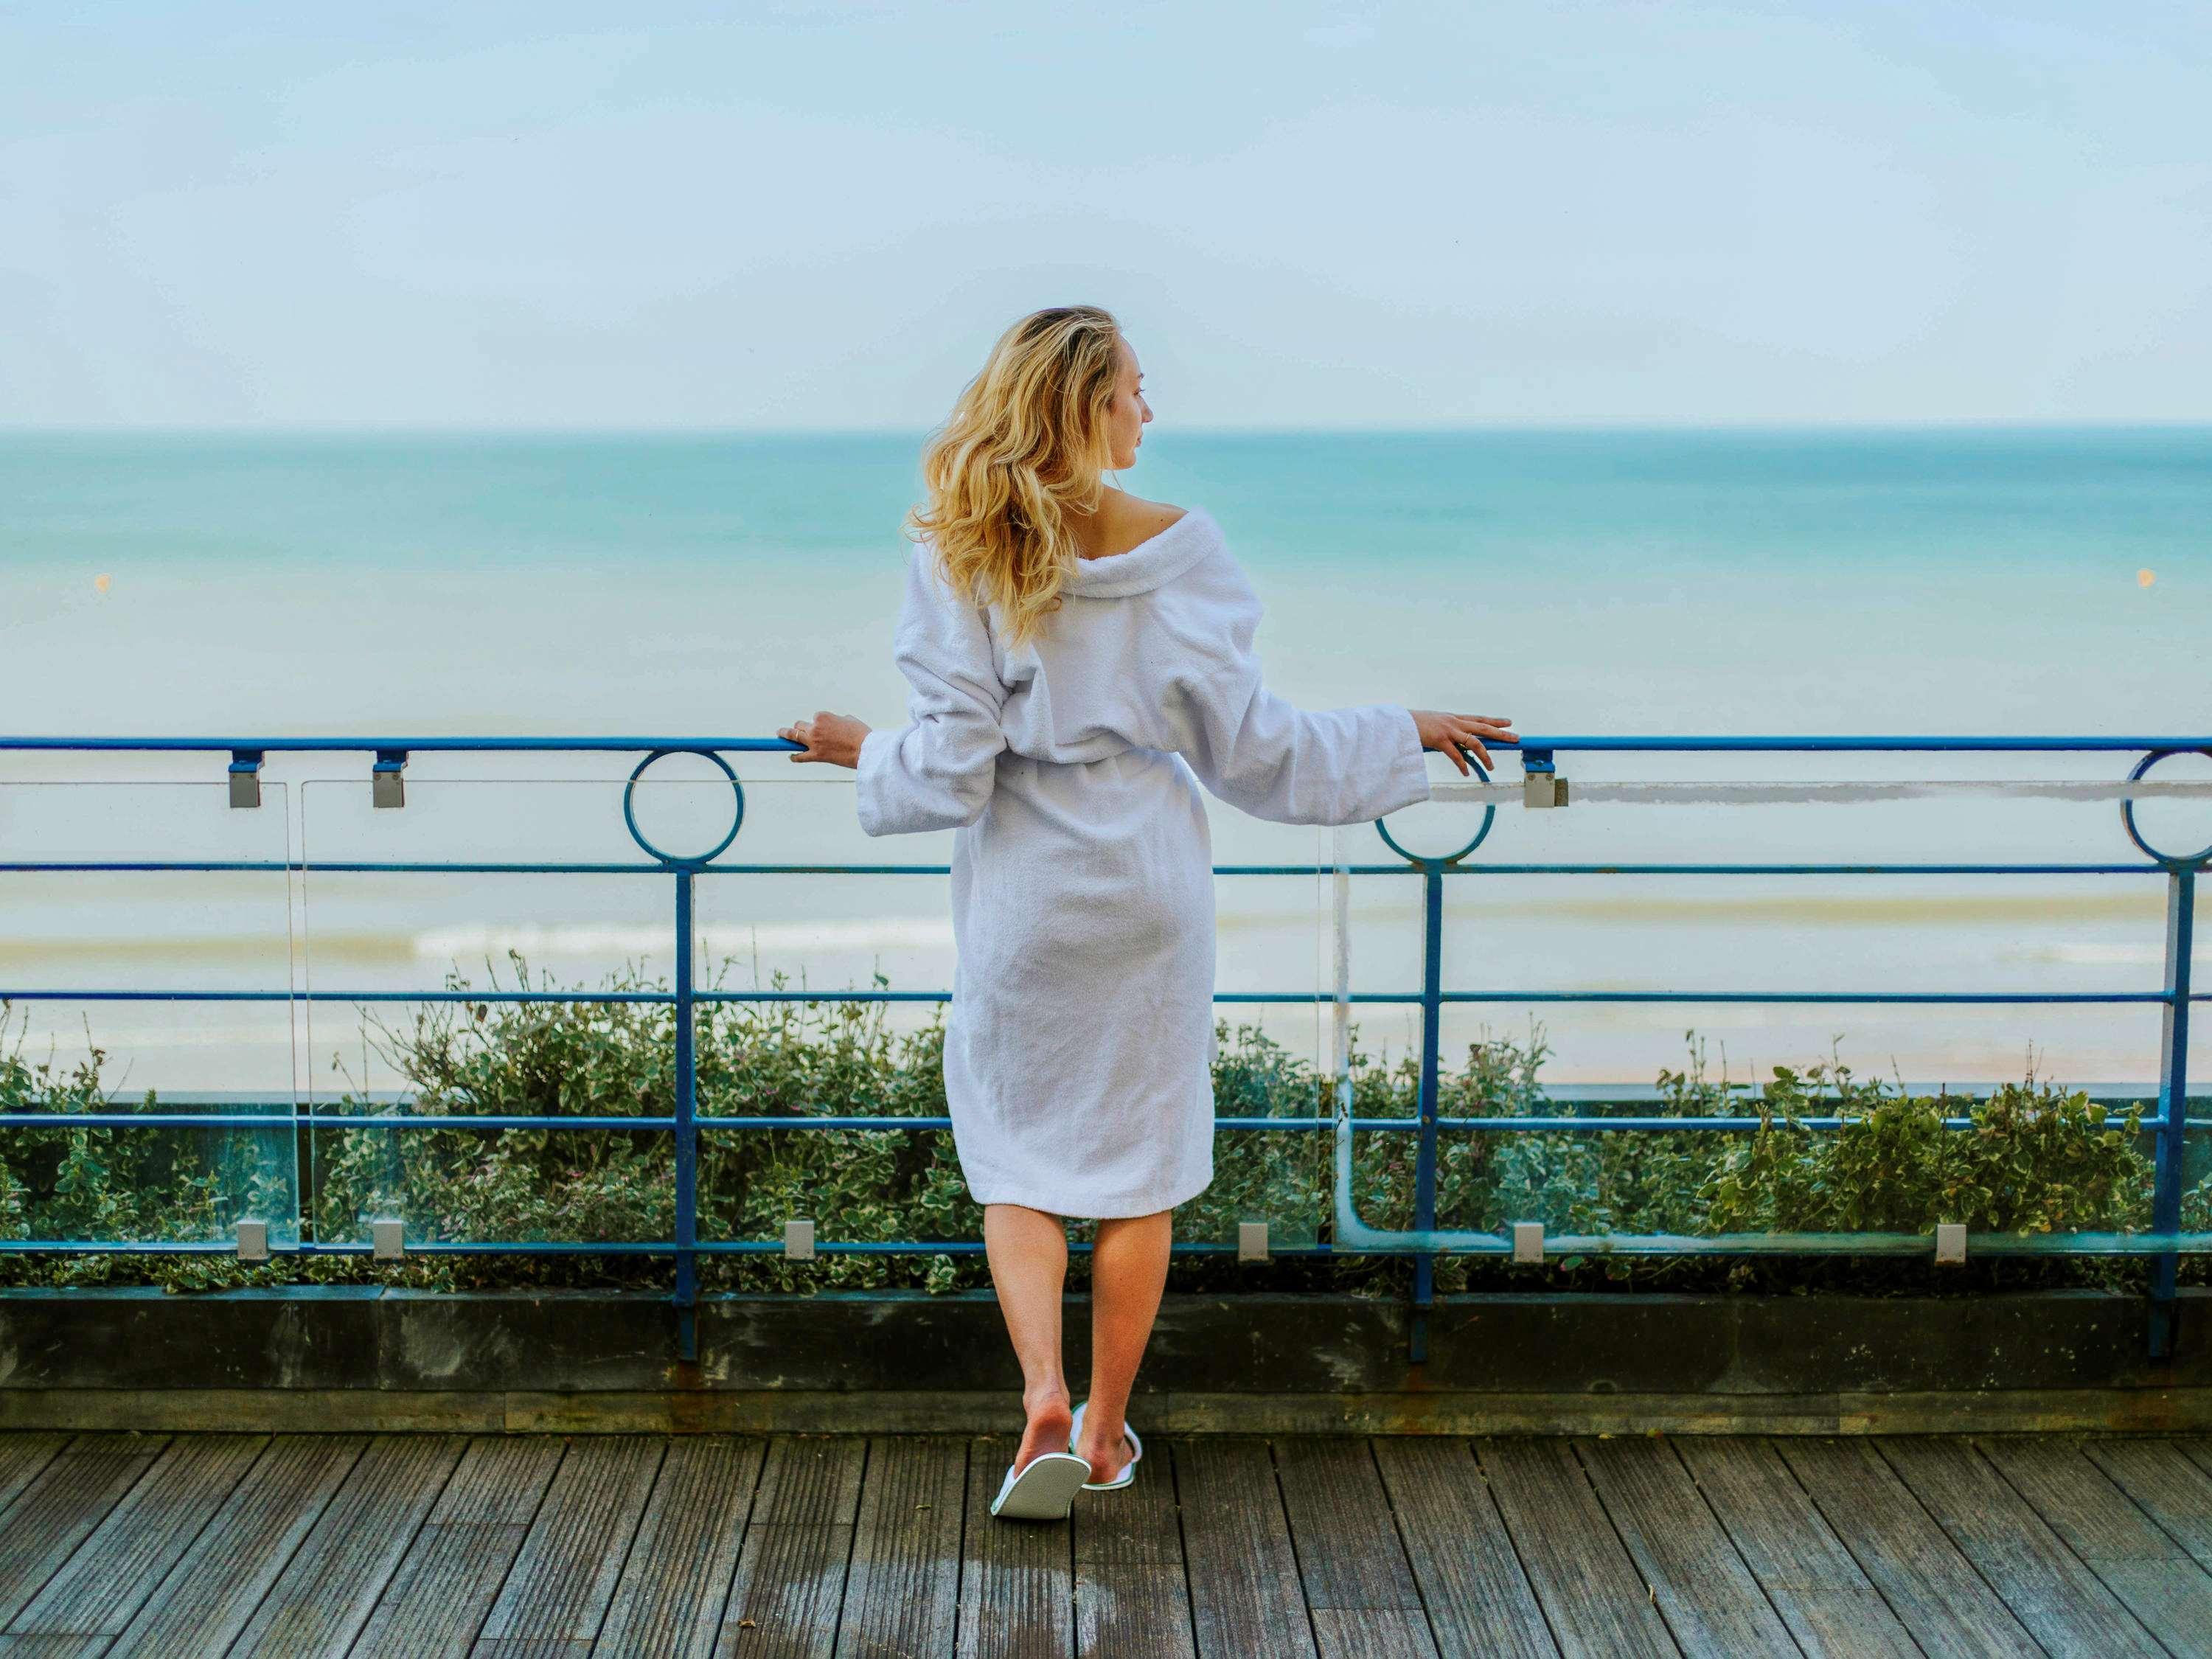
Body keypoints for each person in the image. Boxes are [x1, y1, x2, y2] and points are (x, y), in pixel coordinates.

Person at [779, 305, 1514, 1522]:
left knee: (1015, 1159)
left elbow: (956, 767)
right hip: (1146, 897)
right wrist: (1404, 731)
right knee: (1139, 1174)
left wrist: (866, 752)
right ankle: (1111, 1430)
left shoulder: (963, 547)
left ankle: (1043, 1403)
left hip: (1026, 892)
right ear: (1084, 403)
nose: (1147, 412)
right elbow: (1260, 754)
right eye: (1133, 390)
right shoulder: (1185, 550)